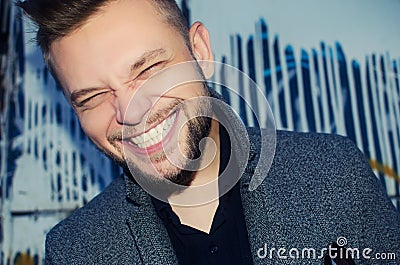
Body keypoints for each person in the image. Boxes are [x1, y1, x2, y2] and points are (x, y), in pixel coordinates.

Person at [18, 0, 400, 264]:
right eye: (94, 97)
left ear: (200, 50)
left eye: (147, 69)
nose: (129, 113)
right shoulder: (75, 251)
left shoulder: (333, 173)